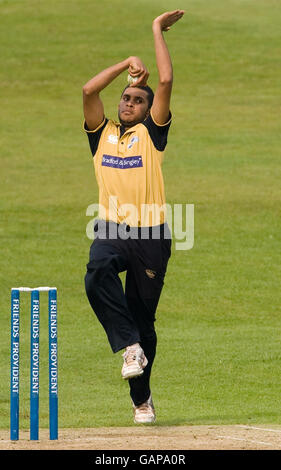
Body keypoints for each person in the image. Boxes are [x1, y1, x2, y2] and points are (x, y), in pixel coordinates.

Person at [83, 10, 185, 424]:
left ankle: (141, 399)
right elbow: (89, 89)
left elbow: (164, 81)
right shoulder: (100, 132)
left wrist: (156, 31)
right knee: (96, 271)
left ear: (148, 111)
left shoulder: (152, 134)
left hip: (151, 236)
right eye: (126, 97)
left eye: (136, 100)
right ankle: (128, 345)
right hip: (111, 228)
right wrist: (126, 65)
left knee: (144, 320)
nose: (128, 102)